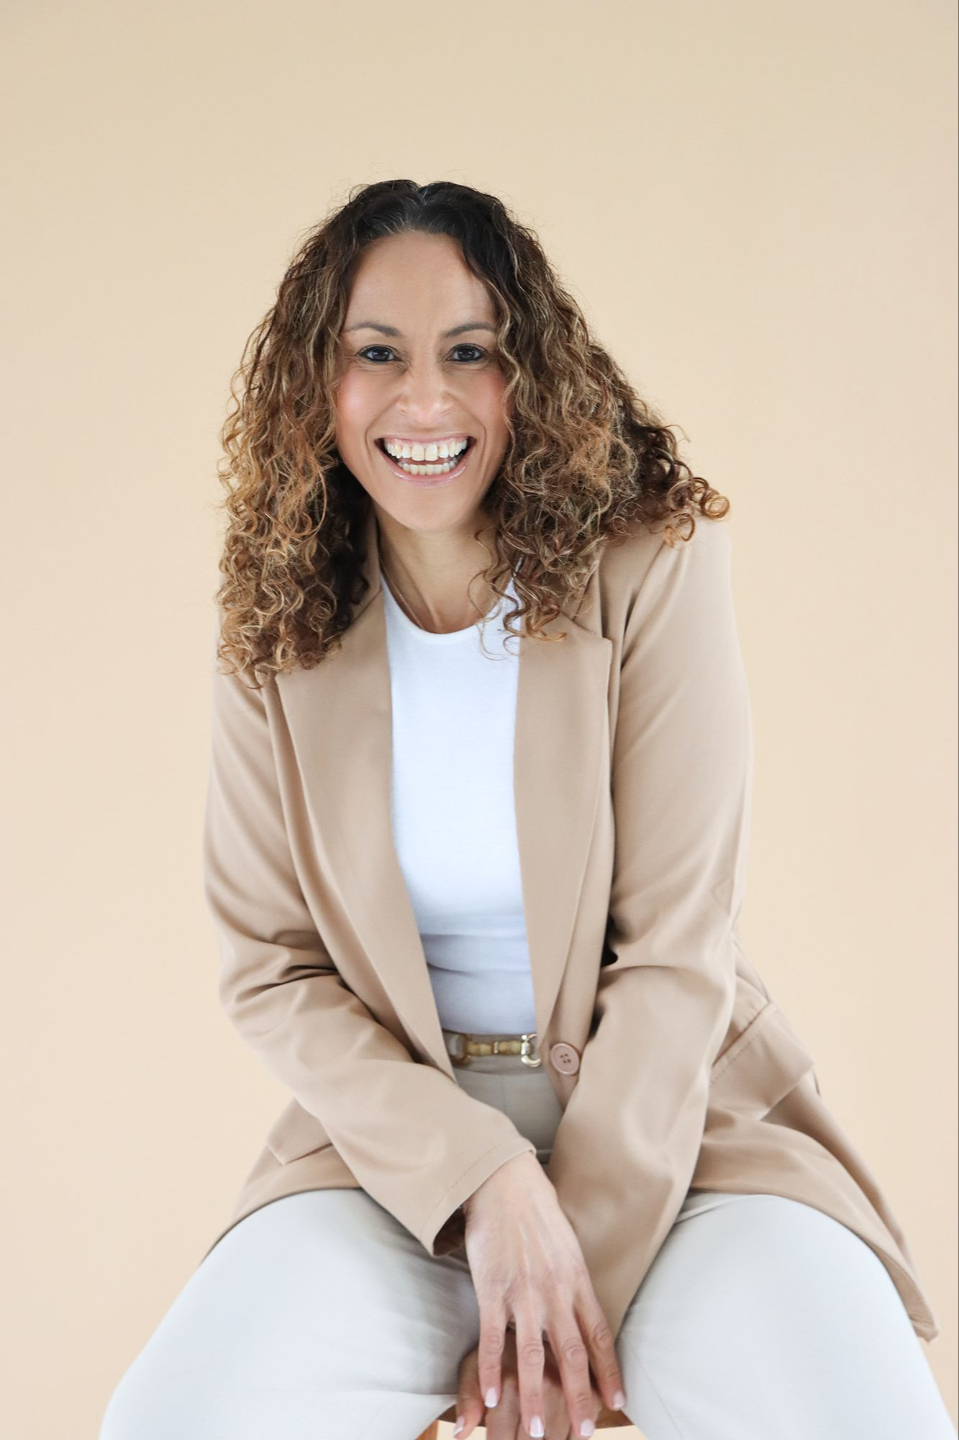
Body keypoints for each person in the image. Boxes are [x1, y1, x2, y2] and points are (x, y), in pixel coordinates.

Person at [99, 180, 955, 1440]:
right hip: (401, 1156)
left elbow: (674, 951)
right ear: (315, 386)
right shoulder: (277, 622)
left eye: (469, 352)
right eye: (375, 354)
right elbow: (274, 971)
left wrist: (561, 1286)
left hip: (679, 1135)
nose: (423, 400)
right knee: (169, 1419)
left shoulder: (649, 564)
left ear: (528, 375)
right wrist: (484, 1178)